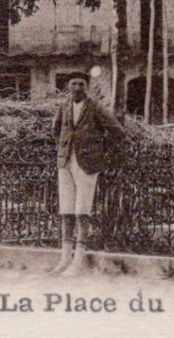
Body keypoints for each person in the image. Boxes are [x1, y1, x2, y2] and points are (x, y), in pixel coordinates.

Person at [51, 74, 124, 276]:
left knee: (82, 211)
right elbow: (55, 130)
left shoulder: (96, 108)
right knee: (66, 210)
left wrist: (98, 150)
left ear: (87, 87)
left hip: (87, 165)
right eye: (73, 83)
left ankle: (78, 261)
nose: (77, 87)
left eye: (81, 84)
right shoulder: (64, 107)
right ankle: (65, 258)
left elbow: (117, 131)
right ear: (68, 86)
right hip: (65, 161)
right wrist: (65, 148)